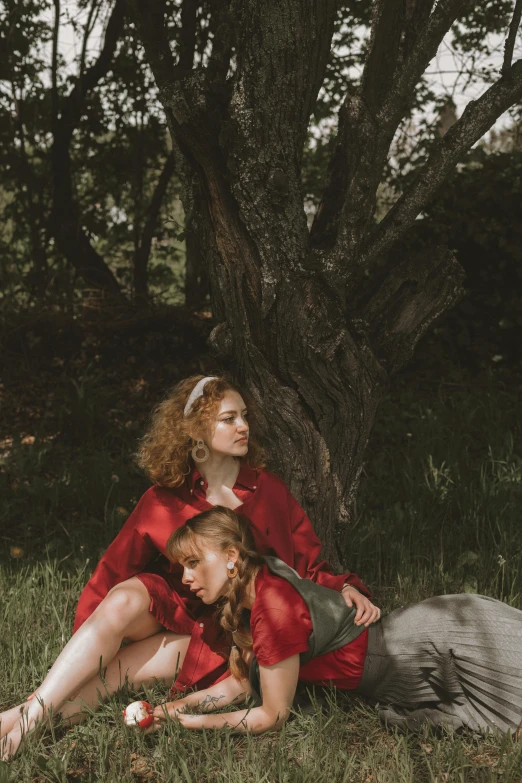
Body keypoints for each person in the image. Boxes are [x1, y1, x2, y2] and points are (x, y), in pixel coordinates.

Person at [0, 375, 379, 758]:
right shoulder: (162, 500)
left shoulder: (269, 491)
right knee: (120, 599)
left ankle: (15, 722)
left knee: (112, 676)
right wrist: (87, 644)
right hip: (173, 606)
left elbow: (305, 564)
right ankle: (22, 730)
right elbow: (111, 573)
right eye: (228, 418)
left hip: (226, 632)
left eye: (244, 416)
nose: (243, 426)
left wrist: (344, 587)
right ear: (197, 431)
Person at [145, 506, 522, 737]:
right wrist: (168, 711)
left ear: (230, 557)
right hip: (420, 654)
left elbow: (270, 717)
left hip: (441, 648)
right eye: (182, 567)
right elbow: (238, 687)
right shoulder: (259, 586)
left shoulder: (272, 607)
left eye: (193, 563)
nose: (185, 578)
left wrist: (186, 725)